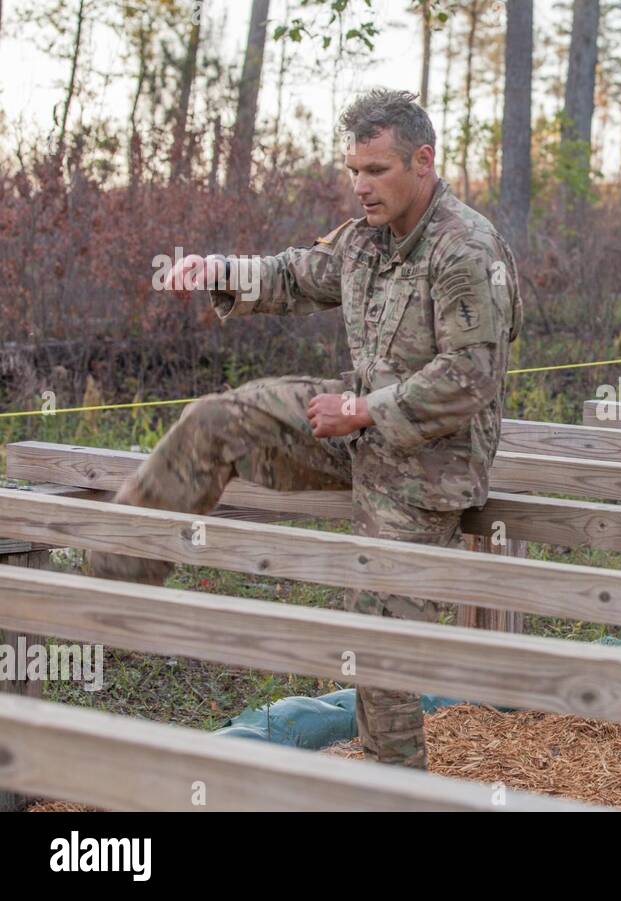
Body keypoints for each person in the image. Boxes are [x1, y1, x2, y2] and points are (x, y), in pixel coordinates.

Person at [87, 88, 522, 770]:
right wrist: (221, 271)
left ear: (423, 161)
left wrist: (364, 410)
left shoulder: (466, 250)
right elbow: (299, 274)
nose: (360, 186)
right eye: (353, 170)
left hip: (430, 458)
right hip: (359, 421)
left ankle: (397, 783)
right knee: (214, 421)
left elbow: (471, 378)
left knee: (377, 641)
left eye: (375, 170)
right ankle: (109, 580)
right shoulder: (368, 239)